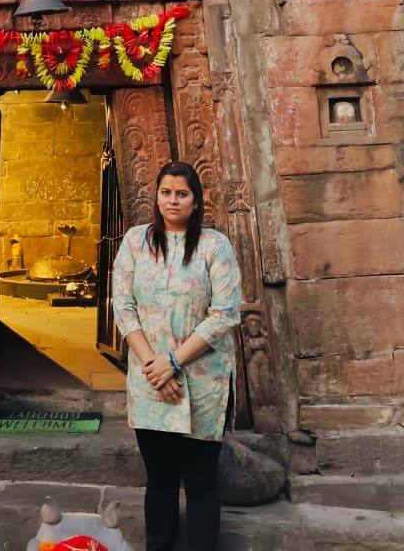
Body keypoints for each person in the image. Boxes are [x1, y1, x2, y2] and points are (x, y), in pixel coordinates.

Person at [112, 161, 242, 551]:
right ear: (156, 197)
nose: (173, 200)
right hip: (151, 381)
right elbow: (123, 306)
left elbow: (224, 314)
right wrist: (155, 366)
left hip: (202, 382)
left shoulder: (214, 246)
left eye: (182, 194)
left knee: (201, 482)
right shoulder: (135, 242)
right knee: (160, 481)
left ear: (196, 201)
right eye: (166, 192)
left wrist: (173, 362)